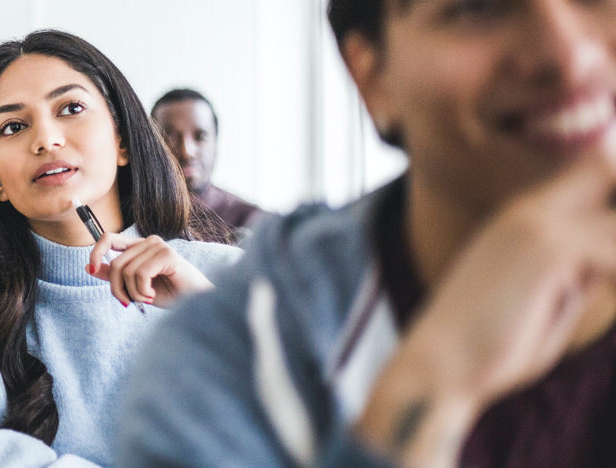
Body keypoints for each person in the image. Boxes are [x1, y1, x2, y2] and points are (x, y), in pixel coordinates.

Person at [118, 0, 616, 466]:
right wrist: (430, 385)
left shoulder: (247, 218)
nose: (570, 58)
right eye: (477, 6)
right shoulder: (241, 358)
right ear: (372, 74)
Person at [0, 30, 240, 466]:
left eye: (71, 108)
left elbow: (319, 433)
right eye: (13, 126)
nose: (46, 139)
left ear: (121, 140)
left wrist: (209, 313)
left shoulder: (225, 277)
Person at [151, 88, 274, 236]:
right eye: (170, 137)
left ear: (216, 143)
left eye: (200, 137)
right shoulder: (129, 217)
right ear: (151, 145)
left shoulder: (255, 222)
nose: (186, 151)